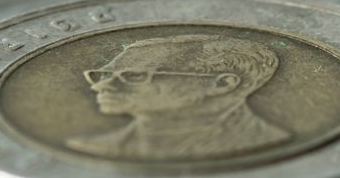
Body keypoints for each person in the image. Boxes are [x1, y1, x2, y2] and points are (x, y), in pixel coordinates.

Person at [71, 33, 291, 160]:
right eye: (102, 75)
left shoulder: (267, 143)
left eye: (135, 75)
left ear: (221, 84)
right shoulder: (94, 146)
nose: (101, 86)